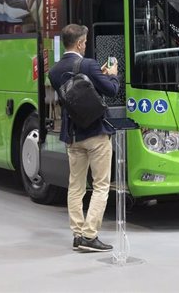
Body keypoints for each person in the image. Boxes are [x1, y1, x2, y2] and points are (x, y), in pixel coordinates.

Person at [48, 24, 119, 253]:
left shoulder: (54, 71)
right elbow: (110, 90)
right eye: (85, 42)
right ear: (79, 43)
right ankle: (90, 235)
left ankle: (78, 234)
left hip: (72, 135)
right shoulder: (88, 64)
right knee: (101, 186)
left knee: (75, 186)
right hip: (96, 133)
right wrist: (113, 75)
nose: (86, 45)